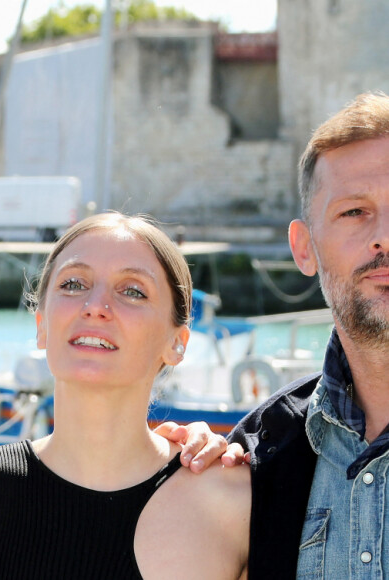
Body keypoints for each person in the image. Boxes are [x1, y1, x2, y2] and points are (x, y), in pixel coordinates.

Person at [0, 212, 251, 579]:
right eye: (74, 284)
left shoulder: (235, 504)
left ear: (177, 343)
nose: (95, 306)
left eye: (132, 291)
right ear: (42, 324)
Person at [176, 91, 389, 579]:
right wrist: (167, 467)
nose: (385, 236)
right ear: (305, 247)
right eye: (354, 212)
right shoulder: (257, 453)